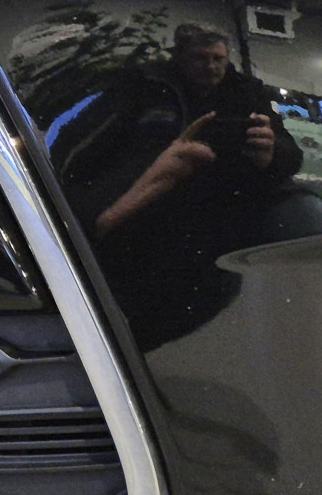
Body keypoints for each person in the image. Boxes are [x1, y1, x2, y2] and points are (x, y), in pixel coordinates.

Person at [52, 24, 308, 351]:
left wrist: (271, 155)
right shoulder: (145, 86)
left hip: (232, 215)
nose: (211, 66)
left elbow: (291, 156)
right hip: (149, 216)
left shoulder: (248, 93)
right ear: (180, 57)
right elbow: (74, 155)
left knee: (310, 218)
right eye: (201, 58)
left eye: (218, 59)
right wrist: (159, 163)